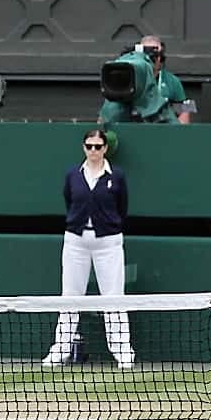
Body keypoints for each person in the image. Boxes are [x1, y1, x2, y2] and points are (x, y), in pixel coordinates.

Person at [44, 128, 134, 370]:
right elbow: (69, 200)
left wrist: (108, 227)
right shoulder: (73, 175)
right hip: (76, 241)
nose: (93, 151)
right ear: (84, 148)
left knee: (113, 297)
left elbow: (121, 207)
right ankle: (61, 349)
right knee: (70, 295)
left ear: (105, 148)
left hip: (109, 242)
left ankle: (123, 351)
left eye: (97, 146)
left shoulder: (117, 176)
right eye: (89, 146)